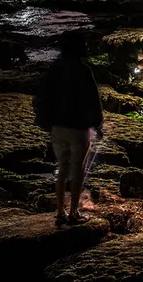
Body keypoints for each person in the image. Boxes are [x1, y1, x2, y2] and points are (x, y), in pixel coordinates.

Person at [33, 31, 104, 227]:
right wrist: (97, 124)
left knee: (62, 167)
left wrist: (46, 120)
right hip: (78, 128)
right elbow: (93, 100)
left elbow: (42, 96)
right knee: (78, 169)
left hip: (57, 126)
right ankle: (74, 212)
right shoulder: (84, 70)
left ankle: (59, 211)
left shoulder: (54, 69)